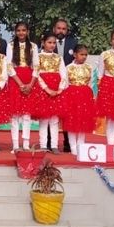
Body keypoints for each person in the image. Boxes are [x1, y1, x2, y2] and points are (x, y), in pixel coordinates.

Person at [6, 22, 39, 152]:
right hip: (15, 80)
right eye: (18, 30)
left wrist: (30, 84)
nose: (21, 33)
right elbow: (9, 66)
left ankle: (26, 144)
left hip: (30, 79)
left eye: (24, 30)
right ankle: (15, 145)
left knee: (26, 115)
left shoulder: (34, 46)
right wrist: (20, 84)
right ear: (15, 32)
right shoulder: (10, 45)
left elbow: (36, 66)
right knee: (15, 115)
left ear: (28, 31)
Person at [34, 32, 68, 154]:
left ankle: (54, 145)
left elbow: (64, 74)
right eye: (49, 42)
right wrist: (46, 89)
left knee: (54, 120)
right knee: (44, 120)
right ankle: (43, 145)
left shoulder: (59, 57)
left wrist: (60, 89)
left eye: (54, 43)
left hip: (57, 91)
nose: (52, 45)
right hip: (43, 91)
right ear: (43, 43)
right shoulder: (37, 57)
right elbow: (36, 75)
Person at [62, 44, 97, 154]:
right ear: (75, 54)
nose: (84, 57)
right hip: (71, 96)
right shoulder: (68, 67)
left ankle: (80, 146)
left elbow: (91, 83)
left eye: (86, 55)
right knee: (71, 121)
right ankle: (73, 147)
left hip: (85, 96)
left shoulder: (89, 67)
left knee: (83, 121)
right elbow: (65, 84)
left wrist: (92, 97)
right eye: (81, 54)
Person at [50, 18, 77, 151]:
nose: (61, 31)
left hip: (68, 84)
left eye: (63, 29)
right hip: (51, 84)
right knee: (50, 114)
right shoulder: (48, 42)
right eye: (58, 28)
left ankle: (68, 143)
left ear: (67, 30)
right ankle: (49, 143)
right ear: (54, 29)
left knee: (68, 114)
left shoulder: (74, 43)